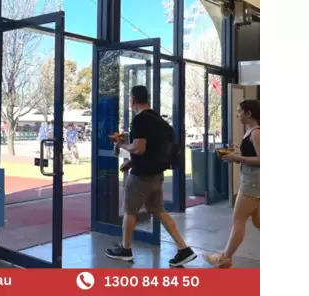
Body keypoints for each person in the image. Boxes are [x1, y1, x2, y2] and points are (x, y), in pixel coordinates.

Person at [105, 85, 196, 267]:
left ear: (133, 100)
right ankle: (183, 248)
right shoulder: (158, 119)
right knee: (159, 210)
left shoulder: (140, 120)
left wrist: (122, 145)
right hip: (156, 174)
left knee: (130, 211)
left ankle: (125, 249)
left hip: (141, 177)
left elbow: (139, 148)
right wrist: (132, 161)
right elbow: (152, 150)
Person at [205, 99, 260, 268]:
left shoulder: (256, 133)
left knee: (238, 219)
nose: (237, 115)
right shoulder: (250, 131)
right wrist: (236, 158)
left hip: (252, 184)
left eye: (239, 111)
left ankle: (225, 258)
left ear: (249, 113)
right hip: (251, 180)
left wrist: (238, 158)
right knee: (258, 221)